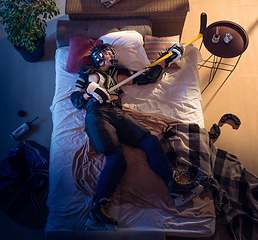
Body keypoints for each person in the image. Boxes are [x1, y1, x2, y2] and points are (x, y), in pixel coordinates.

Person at [70, 43, 203, 230]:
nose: (112, 55)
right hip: (97, 113)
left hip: (117, 112)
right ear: (98, 57)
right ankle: (99, 206)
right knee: (117, 160)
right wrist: (89, 93)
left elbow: (147, 77)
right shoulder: (88, 71)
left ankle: (174, 184)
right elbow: (75, 99)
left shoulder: (117, 73)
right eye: (108, 53)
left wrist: (168, 58)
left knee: (150, 140)